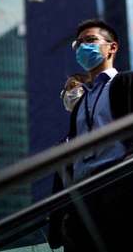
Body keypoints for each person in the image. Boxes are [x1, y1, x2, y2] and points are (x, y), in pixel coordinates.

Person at [59, 19, 133, 252]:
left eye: (91, 40)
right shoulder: (82, 101)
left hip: (120, 188)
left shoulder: (127, 81)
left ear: (112, 47)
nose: (83, 47)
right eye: (79, 44)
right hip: (83, 200)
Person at [48, 73, 89, 251]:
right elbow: (59, 191)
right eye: (63, 91)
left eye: (72, 86)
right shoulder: (62, 146)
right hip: (70, 226)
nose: (67, 93)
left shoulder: (99, 128)